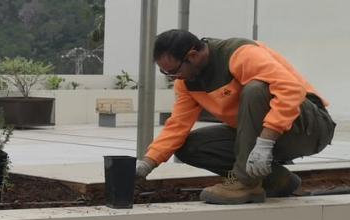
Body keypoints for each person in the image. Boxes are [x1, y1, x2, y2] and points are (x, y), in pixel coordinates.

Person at [136, 29, 336, 205]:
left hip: (309, 127)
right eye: (166, 73)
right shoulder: (187, 83)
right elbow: (177, 126)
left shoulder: (240, 54)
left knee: (256, 89)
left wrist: (265, 141)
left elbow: (291, 90)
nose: (174, 77)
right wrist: (147, 163)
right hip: (264, 136)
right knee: (190, 147)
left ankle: (244, 184)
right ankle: (277, 180)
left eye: (174, 71)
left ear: (193, 55)